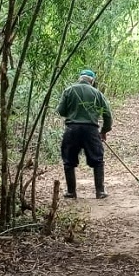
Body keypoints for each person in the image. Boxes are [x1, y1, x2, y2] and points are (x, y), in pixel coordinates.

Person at [56, 69, 113, 199]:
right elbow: (108, 115)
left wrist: (73, 112)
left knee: (69, 161)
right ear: (92, 81)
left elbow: (61, 111)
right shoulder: (97, 93)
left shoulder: (69, 90)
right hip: (91, 130)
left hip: (72, 129)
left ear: (80, 78)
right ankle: (100, 192)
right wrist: (104, 131)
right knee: (97, 160)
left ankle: (71, 192)